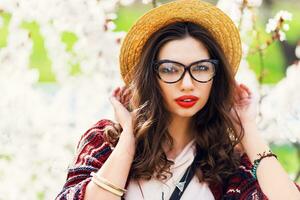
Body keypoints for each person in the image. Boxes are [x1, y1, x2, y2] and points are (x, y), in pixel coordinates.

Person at [56, 0, 300, 199]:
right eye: (170, 69)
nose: (187, 84)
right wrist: (128, 142)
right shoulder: (106, 142)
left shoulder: (226, 161)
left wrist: (248, 131)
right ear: (151, 76)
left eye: (201, 68)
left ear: (216, 75)